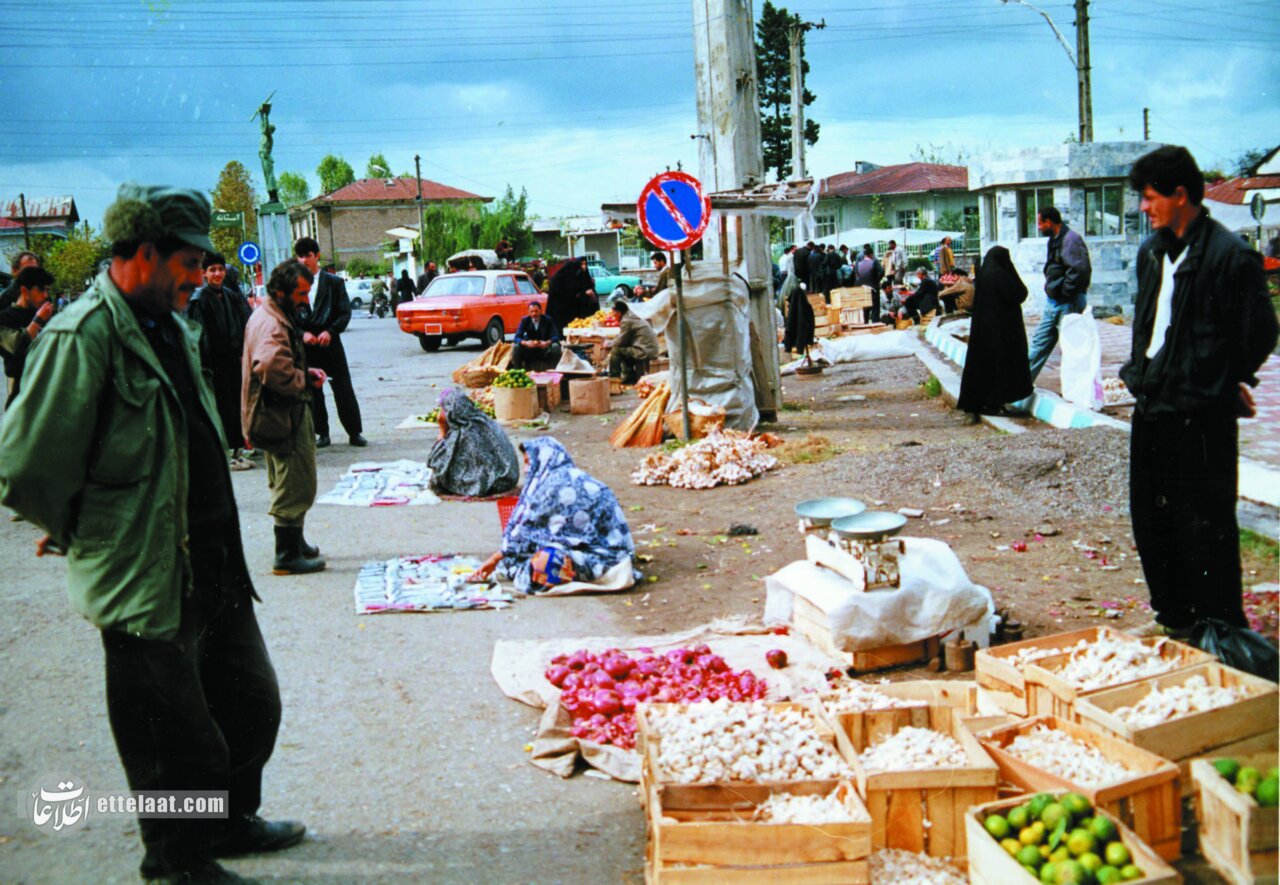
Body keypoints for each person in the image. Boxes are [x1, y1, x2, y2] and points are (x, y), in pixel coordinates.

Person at [0, 183, 303, 884]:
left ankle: (228, 822)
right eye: (189, 261)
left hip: (211, 556)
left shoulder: (172, 324)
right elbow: (23, 463)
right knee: (172, 736)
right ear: (141, 253)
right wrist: (75, 523)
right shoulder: (85, 336)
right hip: (142, 568)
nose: (200, 275)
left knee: (250, 705)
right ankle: (177, 859)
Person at [1120, 146, 1279, 637]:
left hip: (1201, 414)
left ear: (1180, 195)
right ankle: (1173, 617)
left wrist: (1230, 378)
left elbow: (1260, 331)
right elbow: (1148, 328)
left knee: (1206, 523)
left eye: (1150, 198)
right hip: (1152, 405)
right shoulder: (1152, 254)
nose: (1144, 209)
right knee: (1152, 518)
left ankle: (1217, 625)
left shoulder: (1229, 256)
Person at [242, 258, 326, 576]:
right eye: (301, 294)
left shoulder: (271, 314)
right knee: (293, 481)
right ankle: (286, 555)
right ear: (280, 291)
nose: (305, 300)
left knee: (292, 477)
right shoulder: (272, 323)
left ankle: (296, 541)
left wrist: (302, 371)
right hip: (281, 414)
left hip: (277, 413)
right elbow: (269, 366)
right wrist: (302, 379)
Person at [468, 437, 634, 593]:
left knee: (544, 563)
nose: (526, 470)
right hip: (602, 549)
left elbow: (527, 531)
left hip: (605, 556)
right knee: (524, 557)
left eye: (528, 463)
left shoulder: (554, 485)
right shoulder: (563, 475)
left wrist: (494, 559)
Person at [292, 237, 365, 448]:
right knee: (313, 391)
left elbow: (344, 312)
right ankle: (322, 433)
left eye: (308, 256)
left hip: (330, 344)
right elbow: (287, 317)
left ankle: (354, 432)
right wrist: (301, 333)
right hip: (307, 346)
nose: (304, 260)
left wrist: (331, 331)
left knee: (343, 388)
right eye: (300, 256)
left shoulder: (334, 282)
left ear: (317, 257)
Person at [187, 251, 254, 470]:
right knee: (220, 408)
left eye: (220, 269)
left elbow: (245, 323)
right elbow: (200, 336)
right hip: (212, 364)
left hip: (233, 361)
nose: (217, 274)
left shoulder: (230, 295)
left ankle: (237, 450)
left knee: (235, 406)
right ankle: (225, 453)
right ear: (204, 273)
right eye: (212, 270)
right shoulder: (199, 300)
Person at [957, 247, 1032, 418]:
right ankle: (996, 402)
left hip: (984, 330)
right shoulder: (1000, 275)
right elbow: (1020, 293)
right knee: (1002, 367)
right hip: (1003, 330)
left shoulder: (985, 274)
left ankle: (985, 402)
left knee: (986, 367)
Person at [1026, 205, 1092, 383]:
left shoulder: (1071, 240)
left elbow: (1079, 270)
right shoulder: (1054, 239)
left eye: (1040, 223)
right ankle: (1019, 386)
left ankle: (1077, 389)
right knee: (1039, 343)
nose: (1038, 228)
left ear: (1049, 222)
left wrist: (1065, 293)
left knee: (1072, 348)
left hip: (1068, 302)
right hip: (1054, 301)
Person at [427, 387, 520, 498]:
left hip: (496, 482)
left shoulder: (465, 431)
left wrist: (442, 429)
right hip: (509, 477)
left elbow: (435, 461)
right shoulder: (482, 419)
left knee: (441, 478)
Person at [0, 265, 55, 405]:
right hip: (24, 396)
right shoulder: (5, 319)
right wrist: (37, 322)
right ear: (24, 291)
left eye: (47, 290)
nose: (45, 295)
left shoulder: (46, 314)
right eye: (41, 289)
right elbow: (17, 346)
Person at [607, 299, 660, 384]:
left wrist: (608, 344)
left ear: (619, 313)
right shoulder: (631, 315)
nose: (613, 316)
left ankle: (614, 380)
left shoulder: (627, 321)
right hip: (648, 348)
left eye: (614, 314)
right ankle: (629, 378)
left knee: (616, 351)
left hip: (644, 350)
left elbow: (620, 341)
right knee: (624, 350)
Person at [545, 258, 597, 331]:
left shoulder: (570, 278)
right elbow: (568, 295)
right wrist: (583, 294)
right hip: (559, 312)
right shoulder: (558, 280)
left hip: (567, 313)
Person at [510, 300, 562, 371]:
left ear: (540, 311)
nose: (534, 314)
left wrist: (547, 343)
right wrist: (526, 343)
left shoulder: (548, 320)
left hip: (544, 349)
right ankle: (518, 371)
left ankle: (554, 371)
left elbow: (556, 336)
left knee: (555, 346)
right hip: (530, 349)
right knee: (516, 347)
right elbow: (517, 337)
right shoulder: (525, 320)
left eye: (536, 311)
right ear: (528, 312)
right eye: (531, 312)